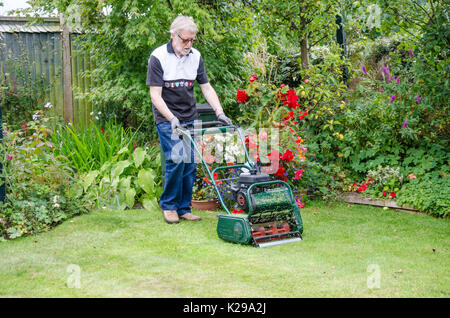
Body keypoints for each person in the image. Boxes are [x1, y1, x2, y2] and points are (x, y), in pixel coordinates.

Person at [147, 15, 232, 224]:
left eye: (192, 40)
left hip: (190, 117)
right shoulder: (158, 57)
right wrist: (171, 118)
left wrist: (219, 112)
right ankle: (168, 205)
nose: (189, 44)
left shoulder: (195, 56)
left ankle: (184, 208)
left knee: (189, 163)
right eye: (185, 40)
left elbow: (206, 87)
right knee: (176, 159)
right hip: (167, 117)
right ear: (173, 36)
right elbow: (155, 96)